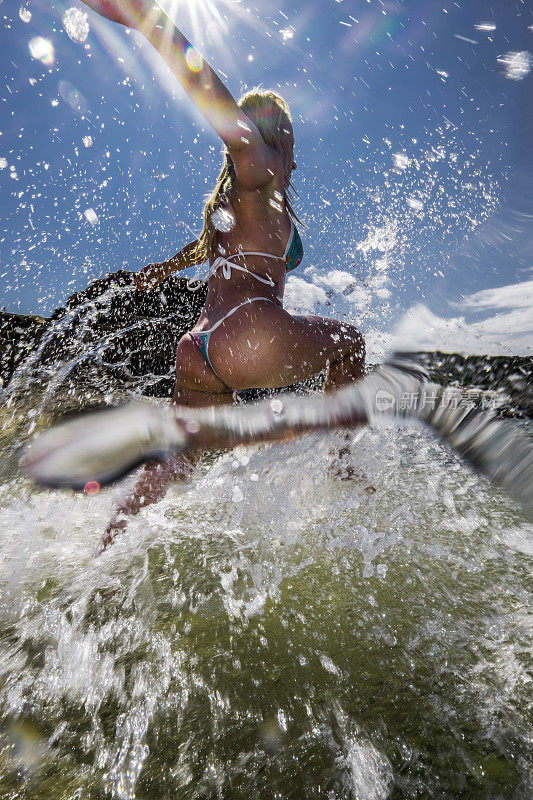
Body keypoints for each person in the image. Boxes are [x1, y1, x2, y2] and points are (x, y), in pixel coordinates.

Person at [81, 1, 365, 548]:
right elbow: (221, 113)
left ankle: (103, 556)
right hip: (247, 334)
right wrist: (152, 23)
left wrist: (162, 269)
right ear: (265, 140)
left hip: (200, 349)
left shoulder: (250, 204)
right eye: (285, 142)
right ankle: (347, 485)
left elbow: (204, 245)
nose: (292, 157)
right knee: (349, 346)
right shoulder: (254, 171)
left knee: (172, 469)